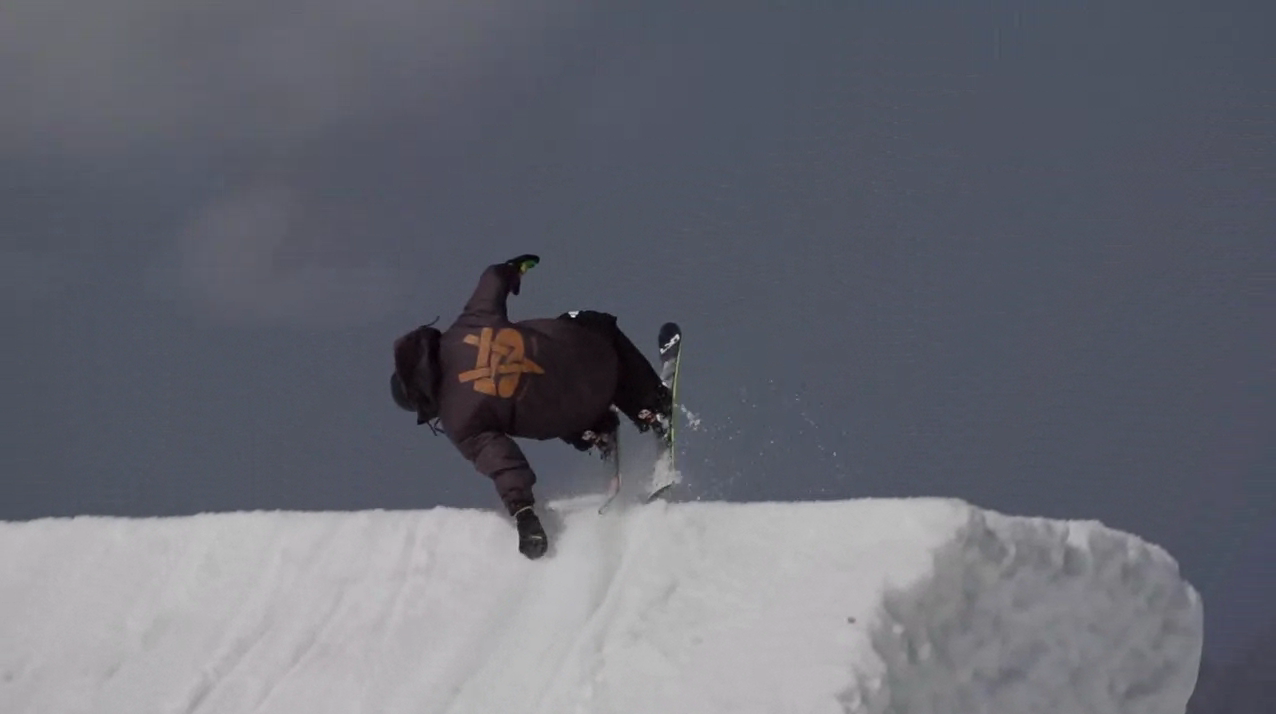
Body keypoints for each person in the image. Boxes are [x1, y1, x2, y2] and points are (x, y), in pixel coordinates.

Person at [390, 254, 672, 560]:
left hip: (578, 412)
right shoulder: (468, 324)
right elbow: (491, 281)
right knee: (589, 325)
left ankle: (596, 431)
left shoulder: (460, 421)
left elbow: (504, 465)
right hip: (593, 356)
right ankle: (650, 406)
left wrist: (524, 515)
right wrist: (513, 269)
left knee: (540, 404)